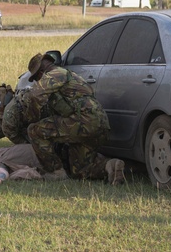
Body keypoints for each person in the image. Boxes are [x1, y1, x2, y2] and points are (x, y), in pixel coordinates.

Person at [19, 53, 125, 185]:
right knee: (81, 171)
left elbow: (35, 95)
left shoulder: (55, 74)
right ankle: (110, 166)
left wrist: (31, 117)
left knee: (34, 130)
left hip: (83, 121)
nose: (37, 81)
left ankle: (55, 171)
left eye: (36, 78)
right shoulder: (71, 75)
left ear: (41, 71)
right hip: (99, 123)